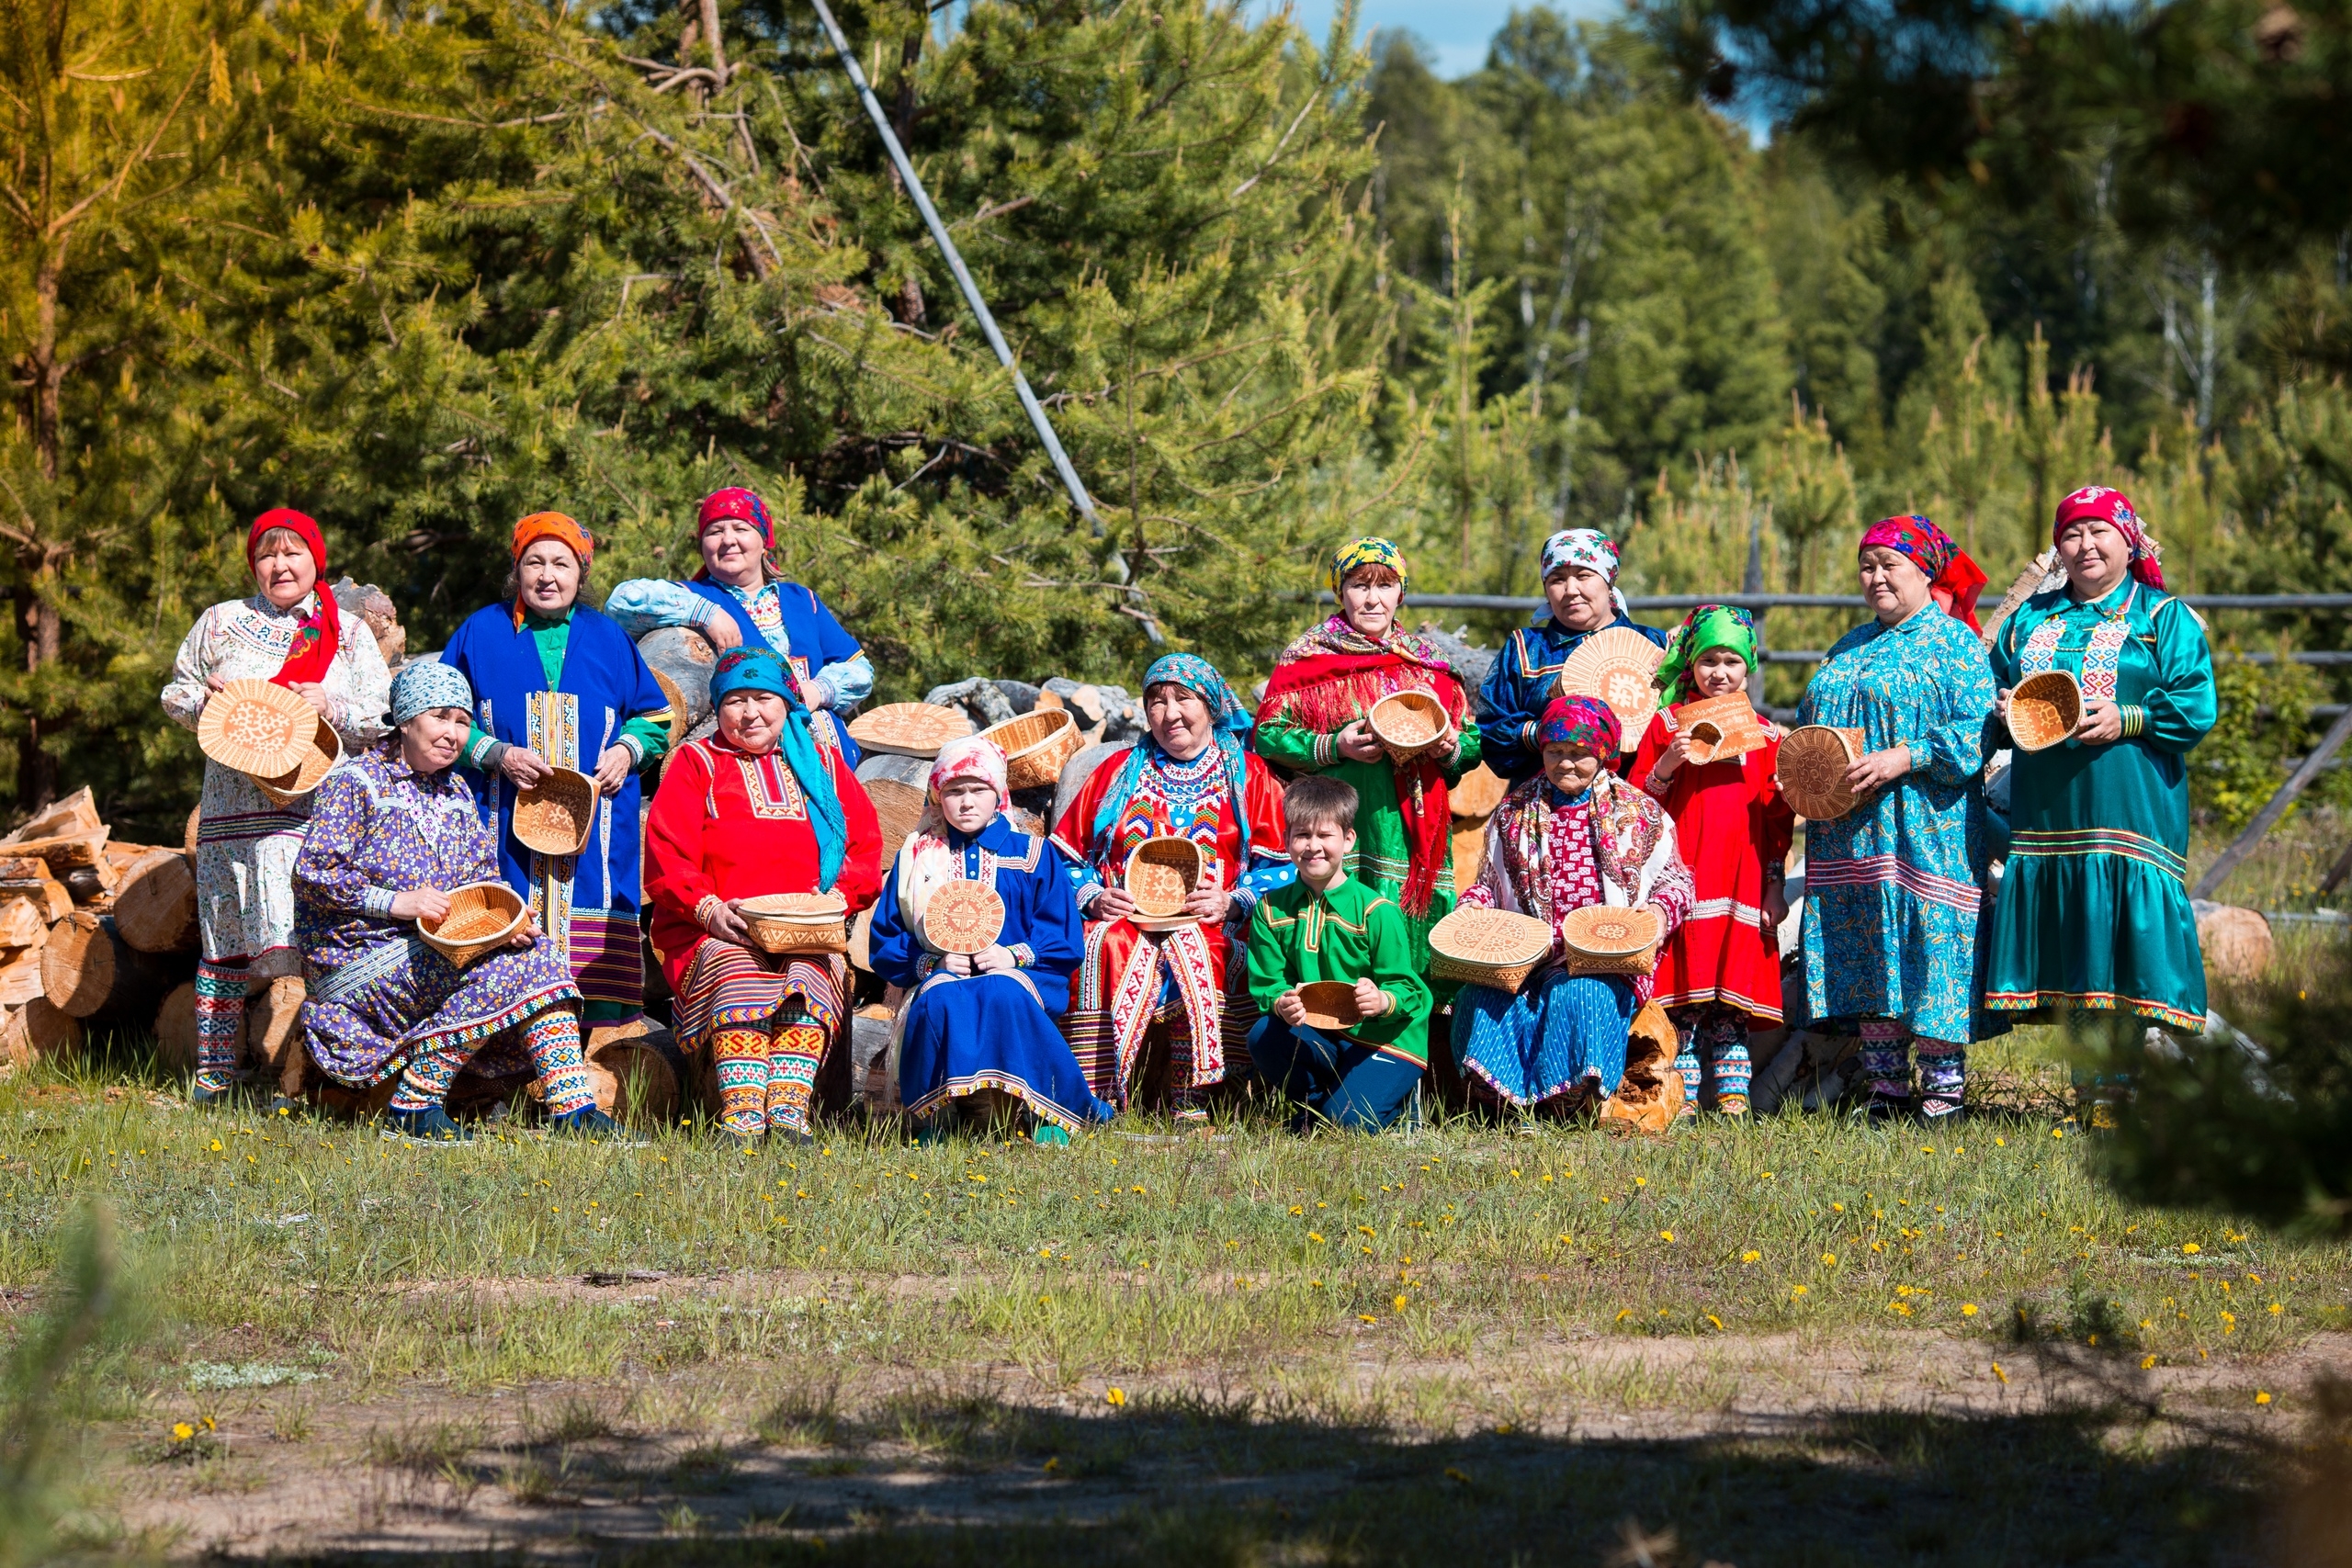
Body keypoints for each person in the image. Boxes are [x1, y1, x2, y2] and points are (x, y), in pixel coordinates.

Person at [292, 662, 617, 1142]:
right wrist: (394, 902)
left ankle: (573, 1110)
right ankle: (414, 1106)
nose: (453, 733)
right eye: (440, 717)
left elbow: (481, 880)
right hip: (358, 957)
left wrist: (507, 922)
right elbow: (312, 874)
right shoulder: (356, 781)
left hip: (437, 946)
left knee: (537, 951)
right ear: (406, 719)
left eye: (463, 722)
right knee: (508, 972)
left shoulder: (457, 789)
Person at [162, 509, 391, 1105]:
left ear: (316, 559)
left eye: (293, 553)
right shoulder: (221, 622)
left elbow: (381, 718)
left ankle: (324, 1075)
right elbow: (175, 691)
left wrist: (331, 704)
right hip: (231, 812)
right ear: (253, 564)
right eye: (268, 554)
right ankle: (216, 1076)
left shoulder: (346, 631)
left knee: (320, 943)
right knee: (224, 942)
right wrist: (205, 700)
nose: (280, 565)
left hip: (315, 816)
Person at [1984, 486, 2216, 1032]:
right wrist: (2000, 708)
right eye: (2071, 534)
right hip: (2045, 818)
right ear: (2058, 548)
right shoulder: (2027, 620)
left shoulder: (2162, 617)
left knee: (2121, 967)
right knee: (2071, 972)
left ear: (2129, 542)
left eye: (2099, 531)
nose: (2085, 545)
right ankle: (2091, 1076)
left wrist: (2128, 717)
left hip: (2127, 811)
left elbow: (2195, 704)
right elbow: (1988, 688)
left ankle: (2117, 1080)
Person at [438, 513, 673, 1031]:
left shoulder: (608, 637)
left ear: (581, 573)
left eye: (561, 564)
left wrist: (627, 750)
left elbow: (656, 715)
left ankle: (592, 1050)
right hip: (501, 820)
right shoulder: (480, 632)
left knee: (593, 922)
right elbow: (439, 715)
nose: (547, 576)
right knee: (503, 931)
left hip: (596, 830)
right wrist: (494, 753)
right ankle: (503, 1047)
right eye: (534, 563)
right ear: (516, 571)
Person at [1798, 514, 1997, 1122]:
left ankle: (1942, 1094)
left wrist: (1906, 756)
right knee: (1869, 954)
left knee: (1932, 952)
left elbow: (1977, 733)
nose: (1877, 576)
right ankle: (1884, 1091)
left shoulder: (1955, 644)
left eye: (1891, 564)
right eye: (1867, 566)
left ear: (1924, 572)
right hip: (1849, 833)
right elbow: (1813, 724)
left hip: (1927, 828)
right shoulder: (1848, 646)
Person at [643, 647, 884, 1144]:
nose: (750, 713)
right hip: (715, 928)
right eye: (735, 701)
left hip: (807, 929)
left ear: (786, 703)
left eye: (763, 698)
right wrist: (710, 910)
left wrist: (836, 900)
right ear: (718, 708)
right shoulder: (696, 762)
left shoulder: (822, 763)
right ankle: (744, 1117)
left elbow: (863, 845)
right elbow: (667, 853)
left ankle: (788, 1115)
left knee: (809, 976)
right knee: (740, 973)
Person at [1050, 653, 1291, 1116]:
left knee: (1202, 948)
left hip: (1214, 917)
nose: (1170, 713)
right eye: (1157, 702)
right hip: (1125, 916)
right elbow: (1063, 858)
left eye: (1184, 699)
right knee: (1102, 945)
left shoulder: (1249, 775)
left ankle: (1195, 1095)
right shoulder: (1118, 771)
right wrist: (1094, 896)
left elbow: (1283, 866)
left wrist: (1234, 900)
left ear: (1212, 706)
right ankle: (1096, 1095)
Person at [1452, 697, 1695, 1120]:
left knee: (1579, 994)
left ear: (1602, 753)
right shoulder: (1512, 812)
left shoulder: (1638, 811)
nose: (1565, 763)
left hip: (1604, 960)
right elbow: (1488, 886)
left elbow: (1677, 883)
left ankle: (1566, 1104)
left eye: (1579, 753)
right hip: (1522, 958)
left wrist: (1656, 915)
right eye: (1555, 751)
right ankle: (1501, 1104)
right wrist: (1471, 908)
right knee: (1479, 995)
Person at [870, 737, 1111, 1144]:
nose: (967, 802)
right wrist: (931, 964)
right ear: (937, 796)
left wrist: (1012, 956)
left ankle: (1045, 1112)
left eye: (978, 790)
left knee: (1002, 991)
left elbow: (1061, 935)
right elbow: (886, 937)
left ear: (999, 794)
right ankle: (940, 1117)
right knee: (939, 998)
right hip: (942, 971)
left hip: (1025, 973)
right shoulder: (918, 858)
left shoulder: (1033, 854)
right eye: (954, 791)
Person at [1253, 537, 1479, 970]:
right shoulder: (1308, 659)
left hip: (1413, 826)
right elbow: (1268, 734)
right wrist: (1334, 745)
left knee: (1409, 939)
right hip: (1340, 822)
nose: (1373, 599)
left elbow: (1470, 745)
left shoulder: (1428, 662)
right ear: (1341, 592)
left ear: (1401, 593)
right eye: (1359, 585)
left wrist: (1450, 746)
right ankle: (1333, 1001)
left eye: (1385, 586)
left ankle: (1410, 1005)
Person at [1629, 605, 1794, 1118]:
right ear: (1691, 665)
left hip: (1742, 883)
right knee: (1682, 1001)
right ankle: (1681, 1103)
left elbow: (1775, 825)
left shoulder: (1767, 737)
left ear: (1749, 667)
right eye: (1708, 661)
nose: (1719, 673)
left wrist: (1774, 887)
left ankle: (1732, 1104)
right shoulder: (1666, 726)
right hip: (1682, 884)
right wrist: (1668, 763)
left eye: (1731, 662)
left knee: (1731, 1006)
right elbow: (1636, 808)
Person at [606, 486, 872, 763]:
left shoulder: (803, 600)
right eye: (714, 532)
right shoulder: (692, 596)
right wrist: (705, 612)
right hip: (746, 762)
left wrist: (818, 690)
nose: (728, 540)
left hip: (832, 756)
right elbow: (621, 601)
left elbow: (860, 670)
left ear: (764, 541)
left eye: (740, 529)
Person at [1246, 776, 1433, 1132]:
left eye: (1325, 835)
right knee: (1263, 1035)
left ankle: (1386, 1103)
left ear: (1348, 840)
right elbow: (1268, 983)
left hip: (1384, 1037)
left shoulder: (1376, 911)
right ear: (1286, 840)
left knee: (1347, 1124)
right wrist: (1281, 1003)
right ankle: (1323, 1106)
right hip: (1321, 1033)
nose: (1313, 846)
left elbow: (1406, 988)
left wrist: (1382, 1000)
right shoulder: (1270, 909)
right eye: (1302, 835)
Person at [1478, 529, 1668, 784]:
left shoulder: (1656, 644)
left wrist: (1676, 674)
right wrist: (1544, 731)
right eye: (1557, 579)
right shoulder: (1525, 648)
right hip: (1543, 799)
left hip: (1633, 795)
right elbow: (1489, 733)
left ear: (1609, 581)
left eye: (1583, 576)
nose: (1570, 590)